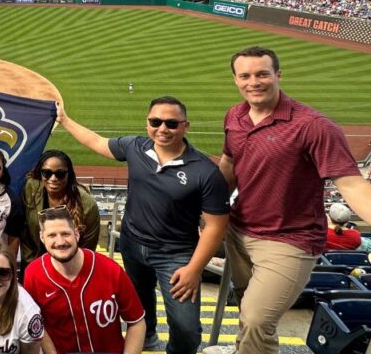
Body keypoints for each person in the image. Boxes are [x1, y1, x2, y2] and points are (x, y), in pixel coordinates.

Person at [205, 46, 371, 354]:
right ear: (235, 80)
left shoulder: (313, 125)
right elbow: (228, 165)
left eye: (262, 74)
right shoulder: (234, 115)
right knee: (248, 307)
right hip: (239, 231)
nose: (254, 82)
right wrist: (210, 213)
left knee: (256, 317)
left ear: (278, 74)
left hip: (289, 240)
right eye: (245, 76)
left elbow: (352, 183)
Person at [58, 97, 230, 354]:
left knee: (186, 327)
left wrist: (194, 269)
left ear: (186, 126)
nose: (162, 129)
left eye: (171, 123)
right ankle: (148, 339)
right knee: (139, 302)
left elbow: (216, 226)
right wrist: (65, 120)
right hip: (132, 243)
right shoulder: (134, 146)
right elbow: (97, 142)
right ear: (147, 123)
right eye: (155, 122)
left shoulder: (205, 171)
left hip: (177, 255)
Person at [24, 206, 144, 354]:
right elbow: (38, 324)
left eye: (65, 234)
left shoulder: (110, 269)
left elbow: (137, 321)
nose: (60, 241)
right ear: (42, 238)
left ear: (76, 234)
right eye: (52, 235)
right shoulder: (33, 274)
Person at [20, 150, 100, 264]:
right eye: (47, 173)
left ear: (69, 175)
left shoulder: (87, 205)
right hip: (34, 264)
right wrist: (34, 264)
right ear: (40, 173)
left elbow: (88, 247)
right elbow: (24, 232)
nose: (53, 178)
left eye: (60, 174)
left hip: (70, 268)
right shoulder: (30, 188)